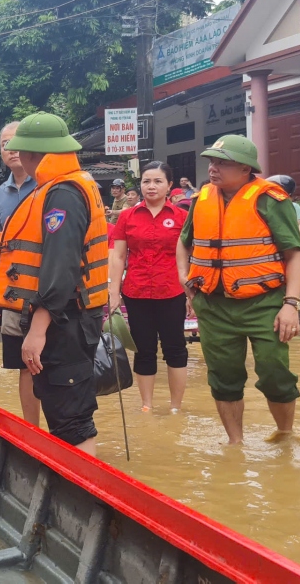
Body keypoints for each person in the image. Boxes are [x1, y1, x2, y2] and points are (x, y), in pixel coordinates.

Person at [0, 113, 108, 455]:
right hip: (69, 317)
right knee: (64, 409)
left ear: (32, 154)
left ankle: (83, 496)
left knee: (71, 419)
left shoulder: (63, 194)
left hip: (64, 321)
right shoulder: (67, 186)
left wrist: (37, 331)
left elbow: (61, 270)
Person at [177, 134, 300, 445]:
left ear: (246, 168)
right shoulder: (201, 200)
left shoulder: (270, 200)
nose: (213, 169)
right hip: (213, 305)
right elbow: (184, 242)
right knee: (223, 378)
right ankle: (236, 445)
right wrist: (184, 277)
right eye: (212, 162)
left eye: (223, 163)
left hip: (265, 303)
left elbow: (294, 255)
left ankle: (285, 437)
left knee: (275, 372)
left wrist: (291, 304)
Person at [108, 161, 189, 413]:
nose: (151, 186)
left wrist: (190, 292)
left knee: (175, 348)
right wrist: (113, 293)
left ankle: (176, 407)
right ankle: (147, 406)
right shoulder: (127, 216)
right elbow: (118, 256)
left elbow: (189, 257)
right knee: (144, 350)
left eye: (157, 181)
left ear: (169, 186)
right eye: (146, 181)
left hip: (173, 291)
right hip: (136, 290)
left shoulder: (182, 218)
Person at [0, 121, 39, 424]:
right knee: (23, 363)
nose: (12, 148)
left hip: (47, 290)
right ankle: (33, 430)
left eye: (17, 141)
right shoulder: (1, 194)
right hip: (13, 292)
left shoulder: (48, 185)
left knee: (52, 361)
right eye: (5, 143)